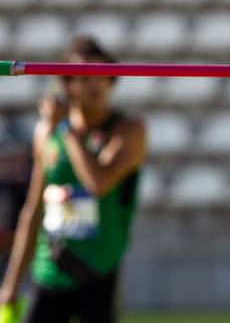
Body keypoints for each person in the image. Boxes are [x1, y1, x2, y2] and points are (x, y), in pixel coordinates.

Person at [0, 36, 146, 323]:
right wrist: (11, 283)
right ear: (67, 85)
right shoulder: (46, 133)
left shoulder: (128, 131)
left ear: (111, 80)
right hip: (50, 269)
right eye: (83, 76)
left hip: (99, 271)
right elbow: (33, 209)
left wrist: (67, 128)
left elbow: (98, 183)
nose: (93, 83)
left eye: (100, 74)